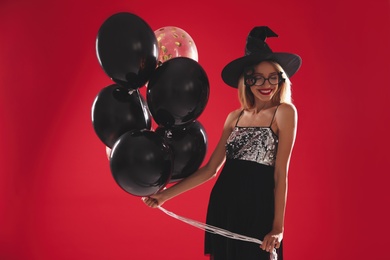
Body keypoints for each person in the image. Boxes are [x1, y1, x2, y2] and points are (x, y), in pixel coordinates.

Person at [143, 26, 302, 260]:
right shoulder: (234, 117)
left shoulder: (284, 112)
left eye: (273, 77)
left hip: (258, 207)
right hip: (225, 206)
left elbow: (280, 173)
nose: (265, 84)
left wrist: (278, 227)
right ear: (246, 81)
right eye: (257, 77)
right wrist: (165, 195)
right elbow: (211, 169)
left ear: (281, 79)